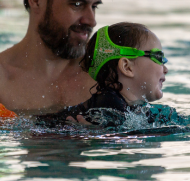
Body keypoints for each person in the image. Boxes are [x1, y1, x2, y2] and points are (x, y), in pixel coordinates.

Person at [37, 22, 180, 128]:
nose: (165, 68)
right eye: (158, 58)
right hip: (43, 131)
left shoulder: (133, 107)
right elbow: (121, 136)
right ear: (127, 67)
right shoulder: (109, 102)